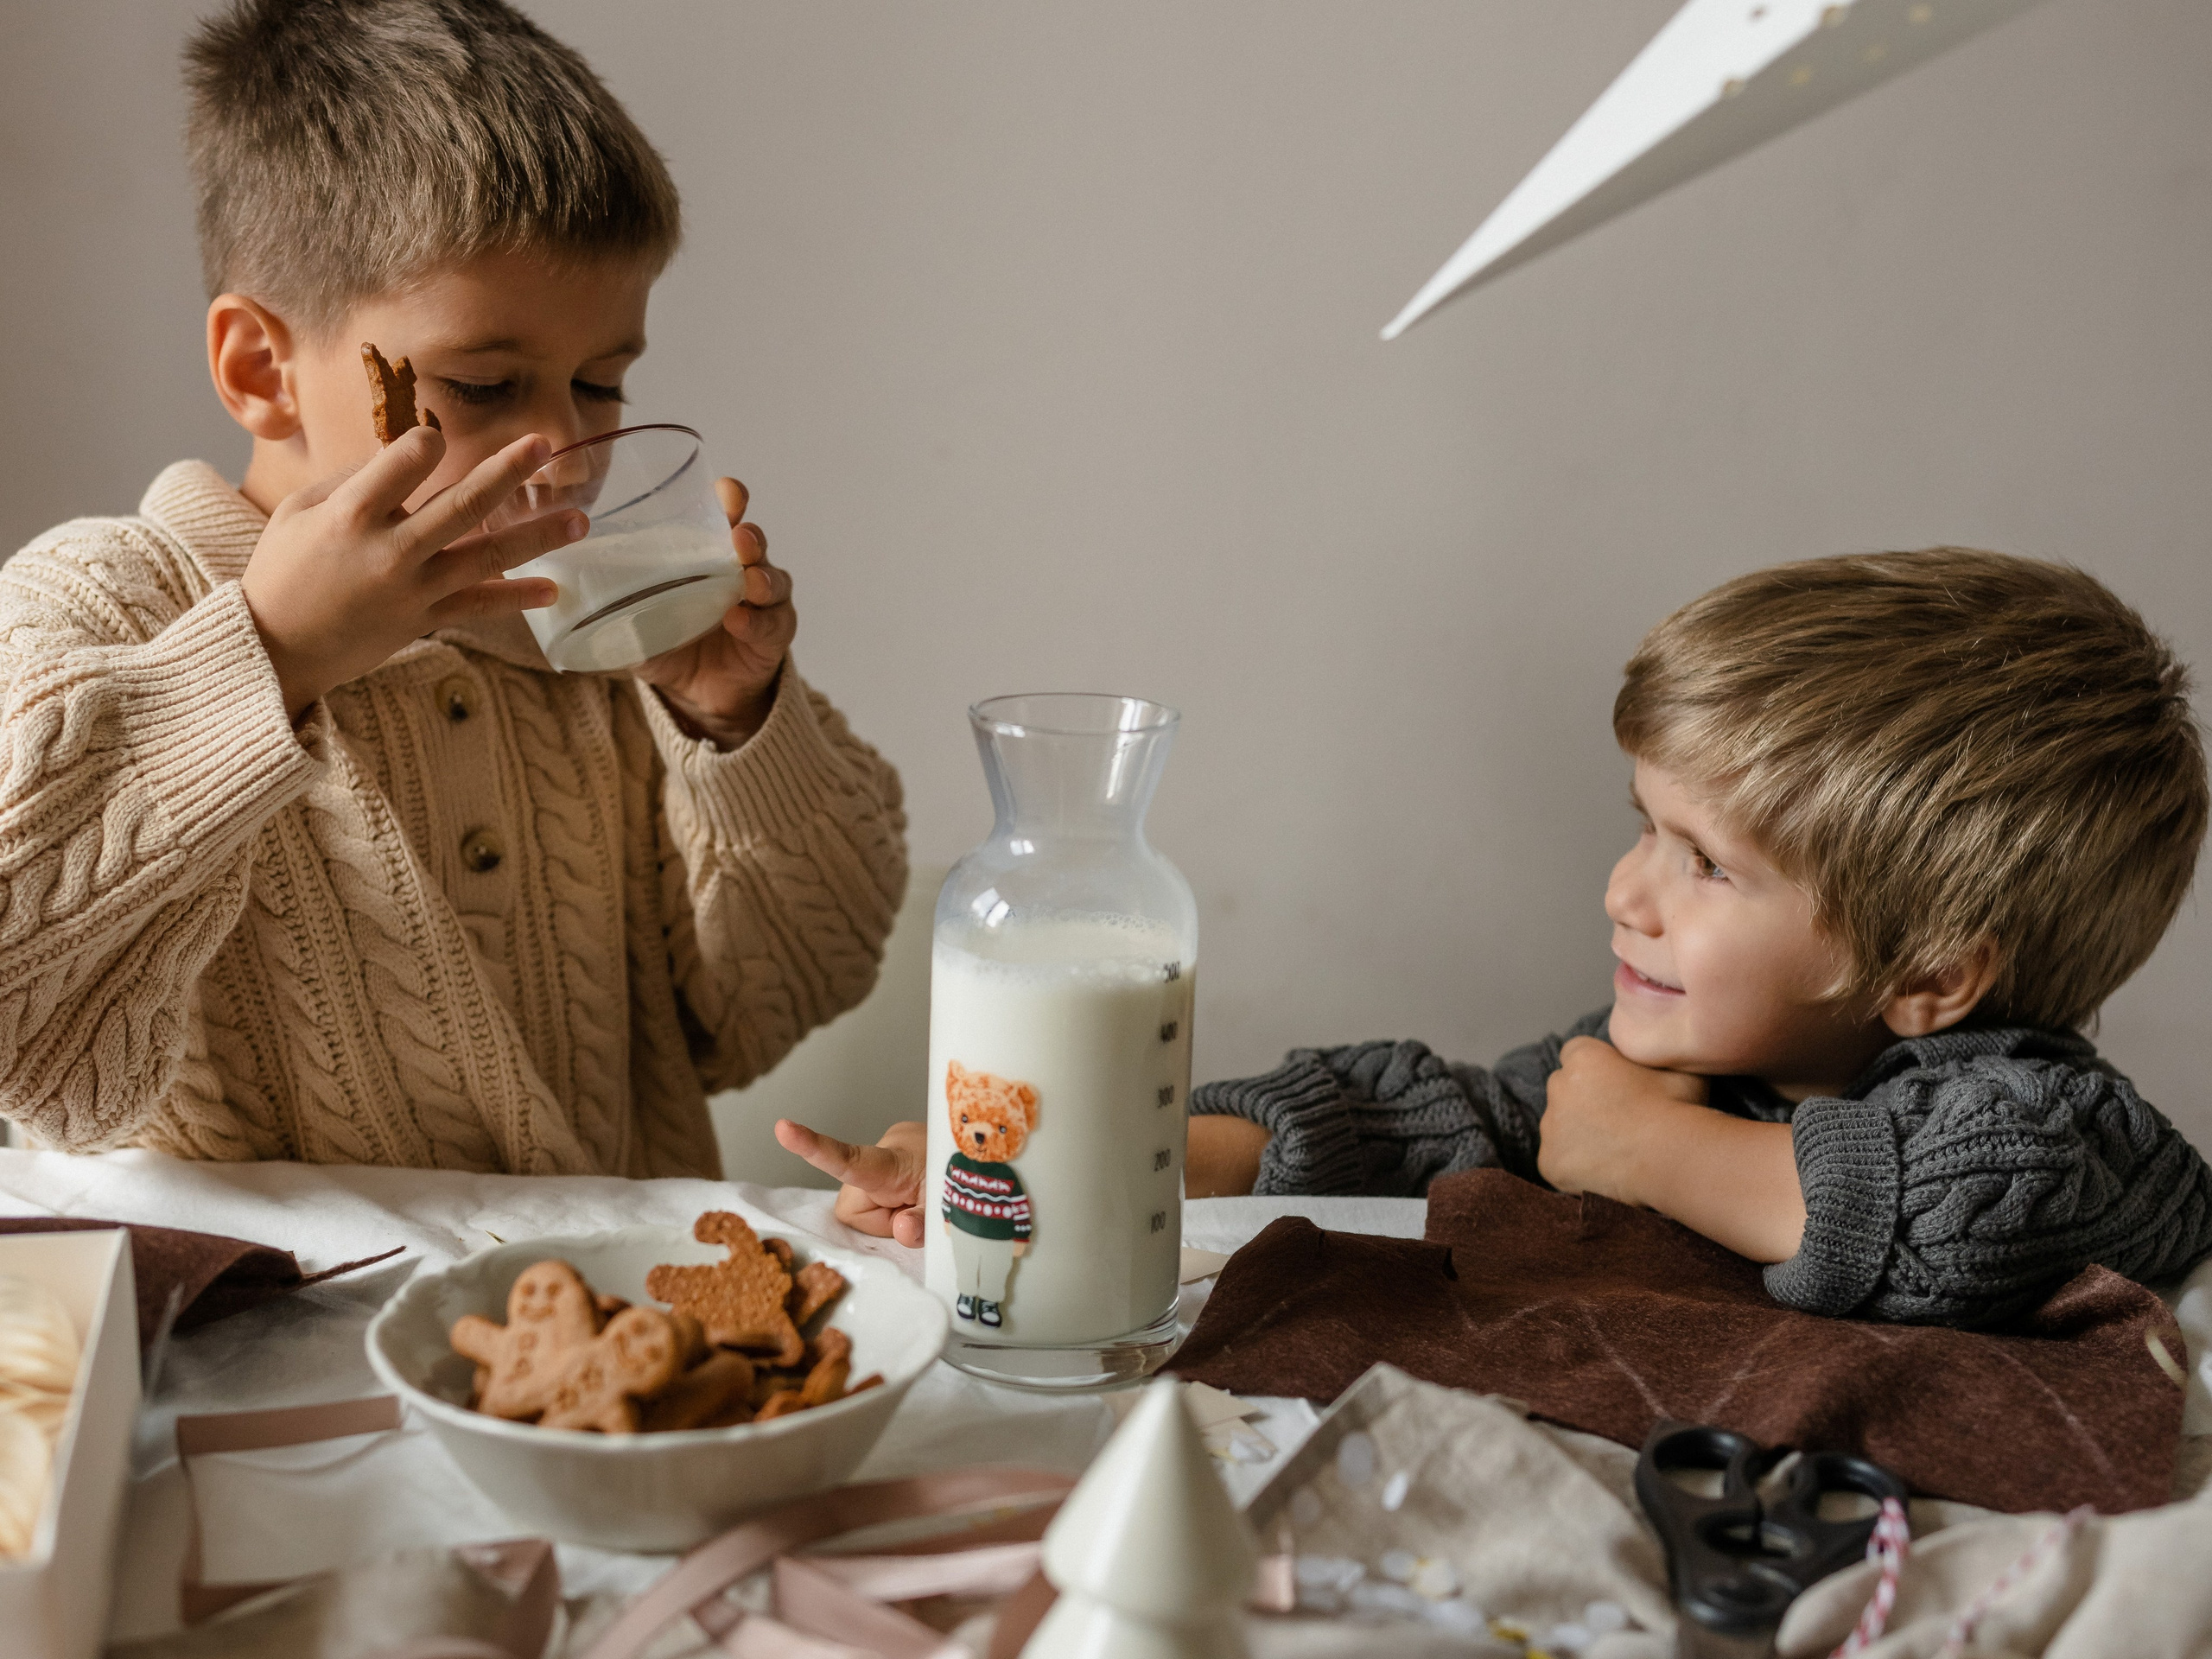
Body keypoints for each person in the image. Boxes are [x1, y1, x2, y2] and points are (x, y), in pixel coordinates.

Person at [785, 549, 2212, 1326]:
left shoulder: (2046, 1121)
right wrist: (1069, 1155)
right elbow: (1435, 1121)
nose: (1624, 890)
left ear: (1932, 979)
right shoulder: (1665, 1068)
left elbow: (2025, 1186)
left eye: (1705, 865)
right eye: (1644, 825)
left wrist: (1648, 1153)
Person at [0, 0, 906, 1175]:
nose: (558, 450)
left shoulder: (581, 632)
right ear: (261, 369)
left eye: (598, 385)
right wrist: (269, 657)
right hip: (270, 1349)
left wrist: (727, 723)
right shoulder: (100, 610)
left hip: (604, 1323)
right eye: (484, 386)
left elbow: (775, 999)